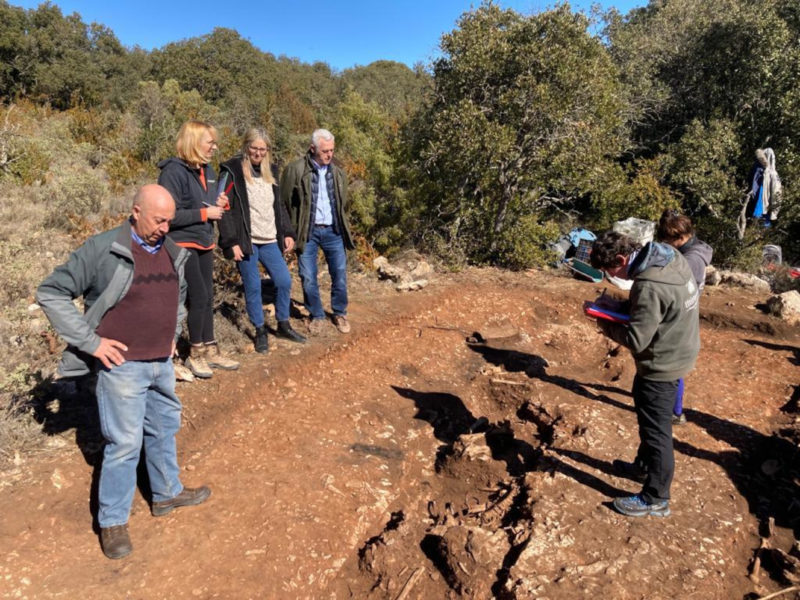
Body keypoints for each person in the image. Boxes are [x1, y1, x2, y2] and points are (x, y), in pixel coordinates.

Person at [36, 185, 211, 560]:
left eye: (169, 220)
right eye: (158, 219)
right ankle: (112, 521)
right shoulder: (102, 249)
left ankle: (166, 493)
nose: (165, 227)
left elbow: (177, 297)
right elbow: (51, 292)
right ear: (135, 211)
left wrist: (172, 333)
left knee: (164, 428)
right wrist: (92, 343)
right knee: (125, 443)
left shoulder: (170, 250)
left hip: (160, 363)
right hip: (122, 367)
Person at [589, 231, 700, 518]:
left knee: (657, 431)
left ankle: (656, 497)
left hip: (661, 365)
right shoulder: (668, 254)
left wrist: (602, 319)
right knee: (650, 415)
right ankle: (643, 466)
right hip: (680, 347)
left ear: (622, 259)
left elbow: (637, 339)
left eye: (608, 269)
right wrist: (623, 307)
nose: (608, 276)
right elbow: (662, 307)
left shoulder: (647, 285)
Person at [158, 120, 239, 378]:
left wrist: (218, 202)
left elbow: (206, 202)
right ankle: (196, 353)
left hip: (205, 239)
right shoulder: (173, 171)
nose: (214, 147)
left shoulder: (208, 170)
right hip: (182, 242)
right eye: (210, 142)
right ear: (194, 142)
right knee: (200, 296)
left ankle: (210, 347)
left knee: (207, 295)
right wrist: (206, 212)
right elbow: (168, 215)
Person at [218, 128, 307, 352]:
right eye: (254, 148)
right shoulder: (232, 171)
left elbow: (279, 207)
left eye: (262, 149)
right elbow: (224, 210)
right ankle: (259, 331)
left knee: (284, 281)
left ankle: (283, 324)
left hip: (269, 238)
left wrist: (287, 232)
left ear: (268, 150)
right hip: (246, 240)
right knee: (253, 286)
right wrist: (230, 242)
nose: (258, 153)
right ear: (246, 147)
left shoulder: (272, 171)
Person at [280, 128, 355, 335]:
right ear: (313, 149)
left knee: (339, 274)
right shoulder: (295, 170)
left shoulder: (338, 172)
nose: (329, 155)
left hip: (333, 230)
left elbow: (342, 203)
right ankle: (317, 315)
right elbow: (284, 202)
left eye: (331, 150)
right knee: (308, 275)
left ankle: (339, 312)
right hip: (308, 232)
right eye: (325, 151)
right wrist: (289, 231)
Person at [656, 209, 713, 425]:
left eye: (668, 240)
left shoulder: (692, 260)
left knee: (673, 364)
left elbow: (680, 288)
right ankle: (673, 407)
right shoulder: (693, 250)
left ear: (681, 237)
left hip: (681, 313)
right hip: (685, 309)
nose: (665, 244)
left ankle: (675, 411)